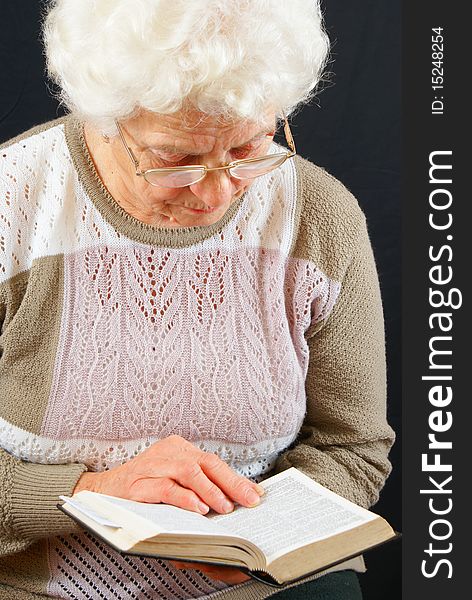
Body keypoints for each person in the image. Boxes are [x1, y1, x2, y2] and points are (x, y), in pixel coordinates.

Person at [0, 0, 395, 598]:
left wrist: (266, 535)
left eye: (247, 150)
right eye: (175, 160)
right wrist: (85, 495)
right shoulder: (15, 202)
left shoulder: (319, 216)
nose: (216, 195)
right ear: (105, 118)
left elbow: (353, 446)